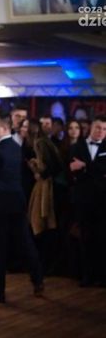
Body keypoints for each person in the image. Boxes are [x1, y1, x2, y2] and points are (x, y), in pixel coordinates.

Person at [0, 112, 44, 303]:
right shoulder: (16, 147)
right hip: (16, 202)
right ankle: (38, 280)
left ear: (5, 128)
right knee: (25, 243)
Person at [69, 116, 106, 286]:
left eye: (104, 129)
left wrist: (85, 166)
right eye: (98, 127)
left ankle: (101, 276)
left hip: (102, 201)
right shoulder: (77, 147)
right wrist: (97, 171)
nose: (101, 132)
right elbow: (73, 170)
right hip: (83, 200)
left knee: (102, 238)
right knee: (84, 238)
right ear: (91, 127)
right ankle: (86, 276)